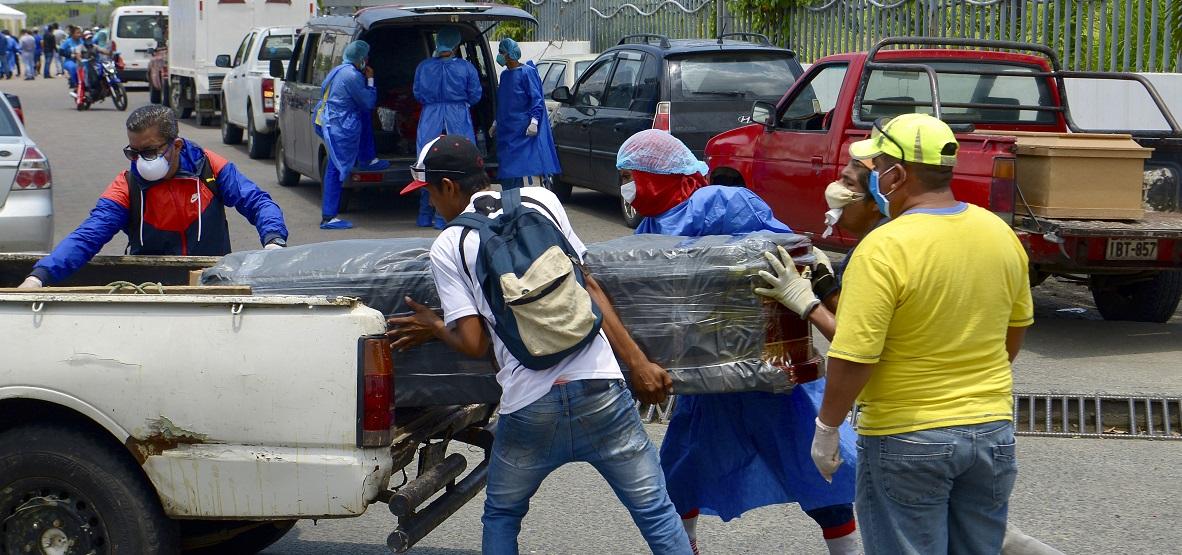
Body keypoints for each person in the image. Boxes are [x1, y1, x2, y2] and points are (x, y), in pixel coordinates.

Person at [387, 135, 691, 554]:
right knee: (656, 512)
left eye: (430, 194)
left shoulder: (449, 246)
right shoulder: (540, 200)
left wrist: (435, 326)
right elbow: (589, 286)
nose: (431, 204)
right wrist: (637, 364)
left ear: (450, 186)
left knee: (502, 516)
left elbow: (475, 344)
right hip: (601, 390)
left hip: (530, 407)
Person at [755, 113, 1034, 554]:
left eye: (880, 165)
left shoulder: (884, 248)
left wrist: (827, 427)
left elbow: (855, 354)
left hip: (907, 439)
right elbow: (1012, 335)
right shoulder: (1000, 234)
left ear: (897, 175)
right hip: (990, 433)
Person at [613, 129, 859, 555]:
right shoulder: (652, 221)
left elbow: (787, 248)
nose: (627, 187)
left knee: (811, 467)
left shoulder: (723, 202)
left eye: (629, 175)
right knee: (682, 469)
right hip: (704, 374)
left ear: (656, 173)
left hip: (761, 363)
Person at [18, 105, 288, 289]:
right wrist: (39, 277)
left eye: (148, 151)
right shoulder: (127, 185)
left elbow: (258, 202)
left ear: (177, 146)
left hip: (212, 284)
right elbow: (88, 236)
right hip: (150, 289)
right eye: (133, 152)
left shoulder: (210, 168)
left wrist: (274, 241)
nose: (140, 160)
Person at [313, 40, 389, 230]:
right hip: (340, 125)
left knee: (334, 165)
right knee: (335, 167)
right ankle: (329, 216)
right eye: (366, 57)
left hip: (328, 120)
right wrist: (370, 81)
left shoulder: (337, 70)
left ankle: (367, 159)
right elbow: (368, 102)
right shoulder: (352, 75)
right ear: (361, 59)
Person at [412, 26, 481, 228]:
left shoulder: (424, 67)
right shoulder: (466, 68)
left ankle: (424, 214)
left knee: (427, 164)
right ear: (455, 44)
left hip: (430, 118)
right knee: (457, 165)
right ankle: (444, 217)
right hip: (457, 117)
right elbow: (475, 95)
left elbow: (417, 93)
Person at [492, 38, 560, 191]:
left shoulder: (527, 73)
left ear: (509, 54)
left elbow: (536, 99)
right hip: (506, 130)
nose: (500, 56)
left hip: (522, 130)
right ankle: (511, 201)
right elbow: (503, 102)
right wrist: (496, 122)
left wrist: (534, 121)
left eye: (501, 53)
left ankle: (520, 200)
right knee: (508, 171)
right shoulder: (504, 76)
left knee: (520, 167)